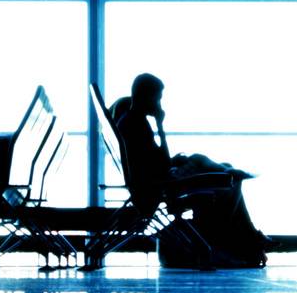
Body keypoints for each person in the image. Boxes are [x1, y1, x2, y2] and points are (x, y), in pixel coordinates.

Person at [110, 73, 266, 268]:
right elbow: (162, 163)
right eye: (157, 98)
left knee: (221, 170)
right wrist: (160, 126)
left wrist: (171, 158)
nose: (159, 103)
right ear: (147, 96)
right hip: (160, 185)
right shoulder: (137, 124)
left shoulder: (130, 121)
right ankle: (242, 237)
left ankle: (248, 232)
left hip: (156, 180)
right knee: (228, 180)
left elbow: (156, 160)